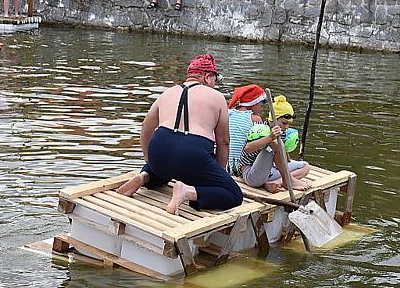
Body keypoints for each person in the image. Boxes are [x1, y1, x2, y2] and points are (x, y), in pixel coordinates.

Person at [115, 54, 242, 215]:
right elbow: (223, 141)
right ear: (208, 76)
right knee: (234, 195)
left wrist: (150, 160)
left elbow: (146, 128)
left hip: (159, 148)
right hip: (192, 154)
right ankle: (187, 192)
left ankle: (145, 176)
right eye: (215, 80)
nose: (215, 85)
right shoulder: (217, 97)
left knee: (167, 163)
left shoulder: (168, 92)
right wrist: (219, 176)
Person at [239, 95, 311, 192]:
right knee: (275, 145)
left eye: (289, 124)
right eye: (284, 123)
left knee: (305, 167)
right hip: (252, 174)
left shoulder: (282, 131)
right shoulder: (260, 129)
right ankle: (287, 180)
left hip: (270, 172)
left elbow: (285, 159)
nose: (286, 127)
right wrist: (270, 137)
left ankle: (276, 183)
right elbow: (247, 148)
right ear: (272, 120)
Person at [226, 84, 270, 174]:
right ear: (253, 102)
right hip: (240, 169)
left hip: (225, 166)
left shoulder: (228, 114)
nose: (263, 105)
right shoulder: (255, 119)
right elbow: (260, 146)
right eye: (262, 101)